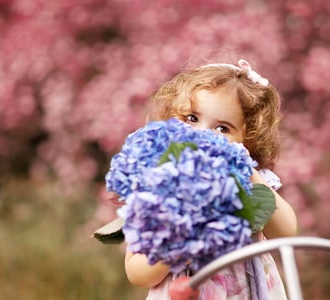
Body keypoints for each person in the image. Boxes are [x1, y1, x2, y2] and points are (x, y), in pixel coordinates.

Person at [123, 59, 298, 299]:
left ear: (246, 140)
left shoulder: (245, 183)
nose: (203, 135)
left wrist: (248, 173)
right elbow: (137, 274)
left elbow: (286, 232)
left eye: (222, 128)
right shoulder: (157, 189)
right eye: (192, 119)